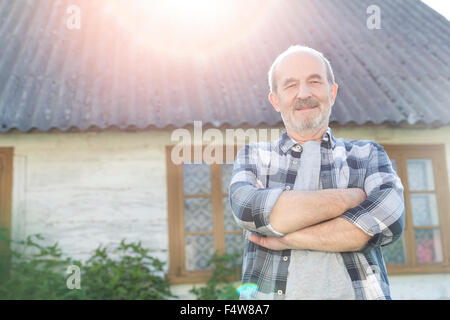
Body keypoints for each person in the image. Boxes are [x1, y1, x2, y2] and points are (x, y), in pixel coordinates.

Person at [229, 45, 405, 300]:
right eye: (290, 85)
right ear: (275, 100)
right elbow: (248, 210)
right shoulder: (254, 157)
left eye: (314, 81)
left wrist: (286, 238)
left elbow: (387, 220)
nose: (304, 93)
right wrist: (350, 199)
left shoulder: (367, 155)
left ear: (332, 92)